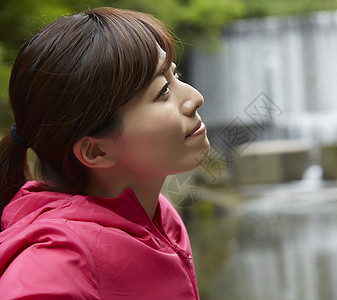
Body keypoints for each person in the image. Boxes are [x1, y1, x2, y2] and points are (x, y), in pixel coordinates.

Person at [0, 7, 209, 299]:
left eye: (175, 76)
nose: (195, 98)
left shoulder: (157, 215)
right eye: (162, 91)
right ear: (96, 150)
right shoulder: (56, 264)